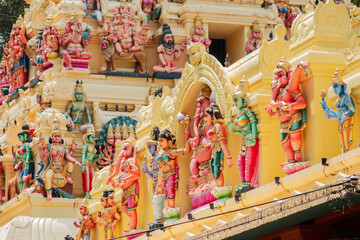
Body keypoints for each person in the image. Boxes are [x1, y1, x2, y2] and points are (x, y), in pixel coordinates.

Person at [265, 57, 309, 163]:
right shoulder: (280, 93)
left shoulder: (291, 89)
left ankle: (297, 152)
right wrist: (273, 112)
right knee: (284, 144)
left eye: (280, 75)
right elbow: (277, 105)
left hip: (293, 118)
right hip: (283, 123)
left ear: (288, 75)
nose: (277, 79)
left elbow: (303, 103)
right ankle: (290, 162)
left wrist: (292, 106)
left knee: (295, 138)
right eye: (276, 76)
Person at [321, 69, 356, 153]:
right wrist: (327, 111)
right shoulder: (337, 101)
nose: (334, 89)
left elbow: (353, 110)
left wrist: (346, 114)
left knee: (346, 139)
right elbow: (337, 115)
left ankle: (347, 150)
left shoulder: (346, 98)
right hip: (341, 122)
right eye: (333, 87)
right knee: (342, 142)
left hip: (347, 121)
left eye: (336, 86)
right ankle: (344, 151)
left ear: (342, 86)